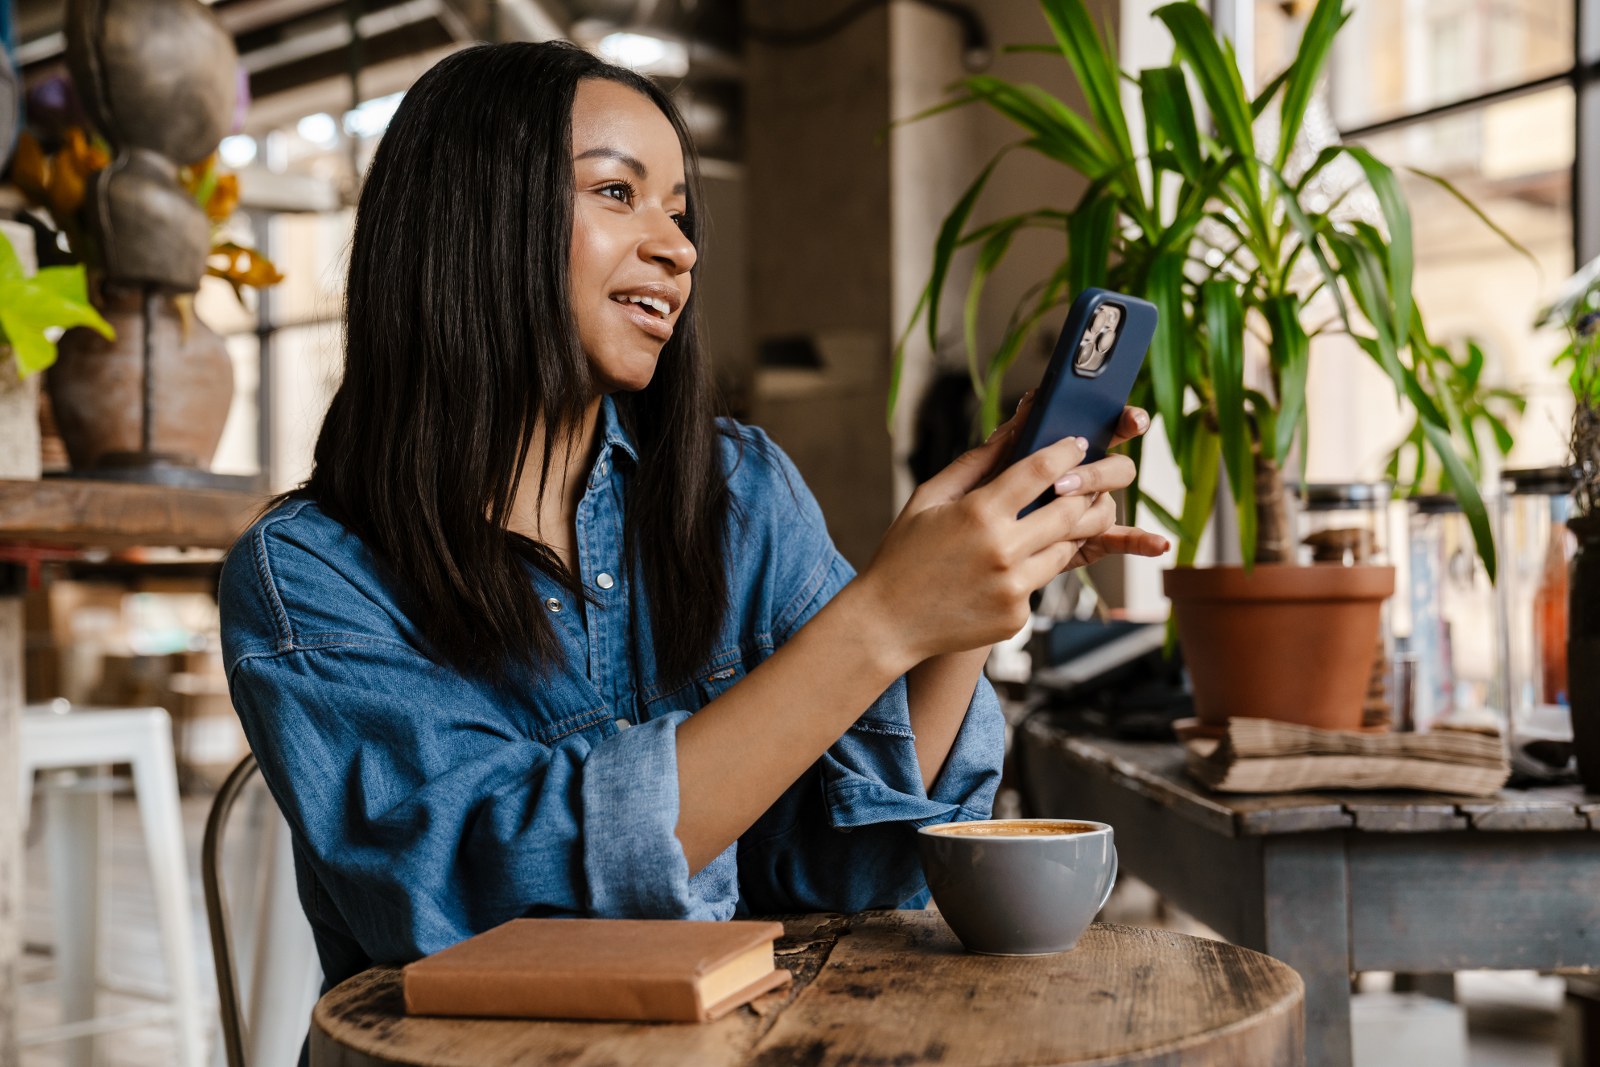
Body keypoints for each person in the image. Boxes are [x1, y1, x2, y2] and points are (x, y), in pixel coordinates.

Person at [217, 39, 1168, 1002]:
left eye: (678, 211)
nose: (679, 247)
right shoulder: (309, 574)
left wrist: (958, 616)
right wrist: (881, 620)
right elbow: (479, 906)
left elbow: (845, 867)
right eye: (617, 192)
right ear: (471, 217)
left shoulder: (739, 488)